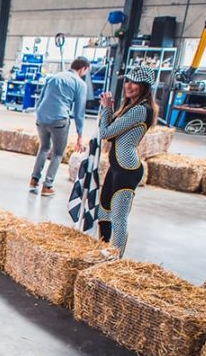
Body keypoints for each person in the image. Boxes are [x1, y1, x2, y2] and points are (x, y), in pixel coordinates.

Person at [96, 67, 157, 257]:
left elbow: (105, 133)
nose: (129, 86)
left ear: (144, 87)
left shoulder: (140, 110)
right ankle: (103, 250)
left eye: (135, 82)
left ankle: (115, 258)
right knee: (104, 211)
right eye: (128, 81)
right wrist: (108, 110)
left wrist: (107, 108)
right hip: (117, 167)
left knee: (118, 217)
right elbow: (109, 131)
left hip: (127, 170)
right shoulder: (130, 107)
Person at [29, 57, 89, 196]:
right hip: (59, 120)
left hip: (41, 118)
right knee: (57, 153)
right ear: (82, 69)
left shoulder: (53, 77)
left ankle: (34, 179)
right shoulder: (80, 83)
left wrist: (40, 116)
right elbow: (79, 112)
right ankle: (47, 186)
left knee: (44, 148)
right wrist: (80, 134)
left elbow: (41, 99)